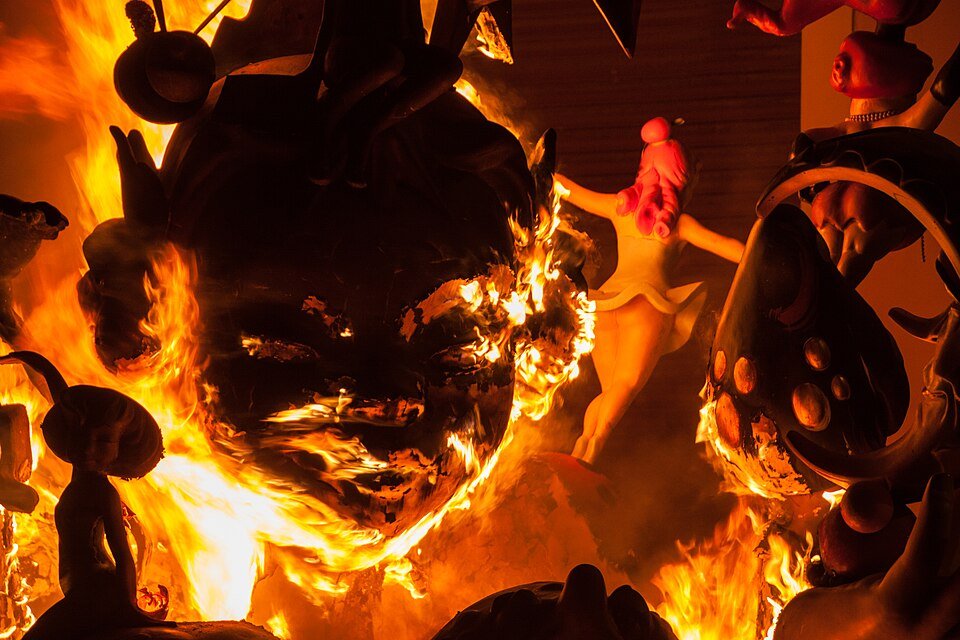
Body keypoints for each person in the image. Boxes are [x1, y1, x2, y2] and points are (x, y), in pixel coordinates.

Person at [555, 135, 744, 464]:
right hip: (647, 305)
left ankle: (580, 452)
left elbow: (571, 192)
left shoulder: (620, 208)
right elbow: (726, 246)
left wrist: (541, 174)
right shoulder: (678, 224)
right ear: (680, 179)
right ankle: (591, 453)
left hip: (606, 304)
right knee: (625, 387)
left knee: (610, 392)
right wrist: (761, 253)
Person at [0, 352, 172, 640]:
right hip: (83, 593)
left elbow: (122, 553)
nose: (88, 447)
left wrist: (128, 606)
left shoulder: (103, 493)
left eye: (103, 440)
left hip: (96, 594)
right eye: (81, 434)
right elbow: (59, 395)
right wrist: (22, 358)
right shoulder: (79, 481)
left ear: (118, 450)